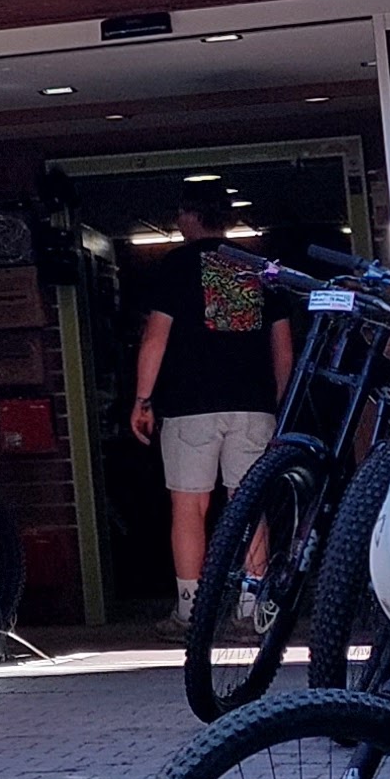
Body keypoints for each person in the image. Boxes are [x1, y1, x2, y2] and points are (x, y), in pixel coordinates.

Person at [127, 179, 294, 637]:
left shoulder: (176, 266)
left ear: (188, 217)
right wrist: (278, 402)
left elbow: (155, 338)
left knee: (189, 506)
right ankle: (252, 606)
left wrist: (143, 399)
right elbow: (283, 348)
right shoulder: (259, 268)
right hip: (253, 405)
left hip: (190, 406)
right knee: (249, 503)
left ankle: (190, 611)